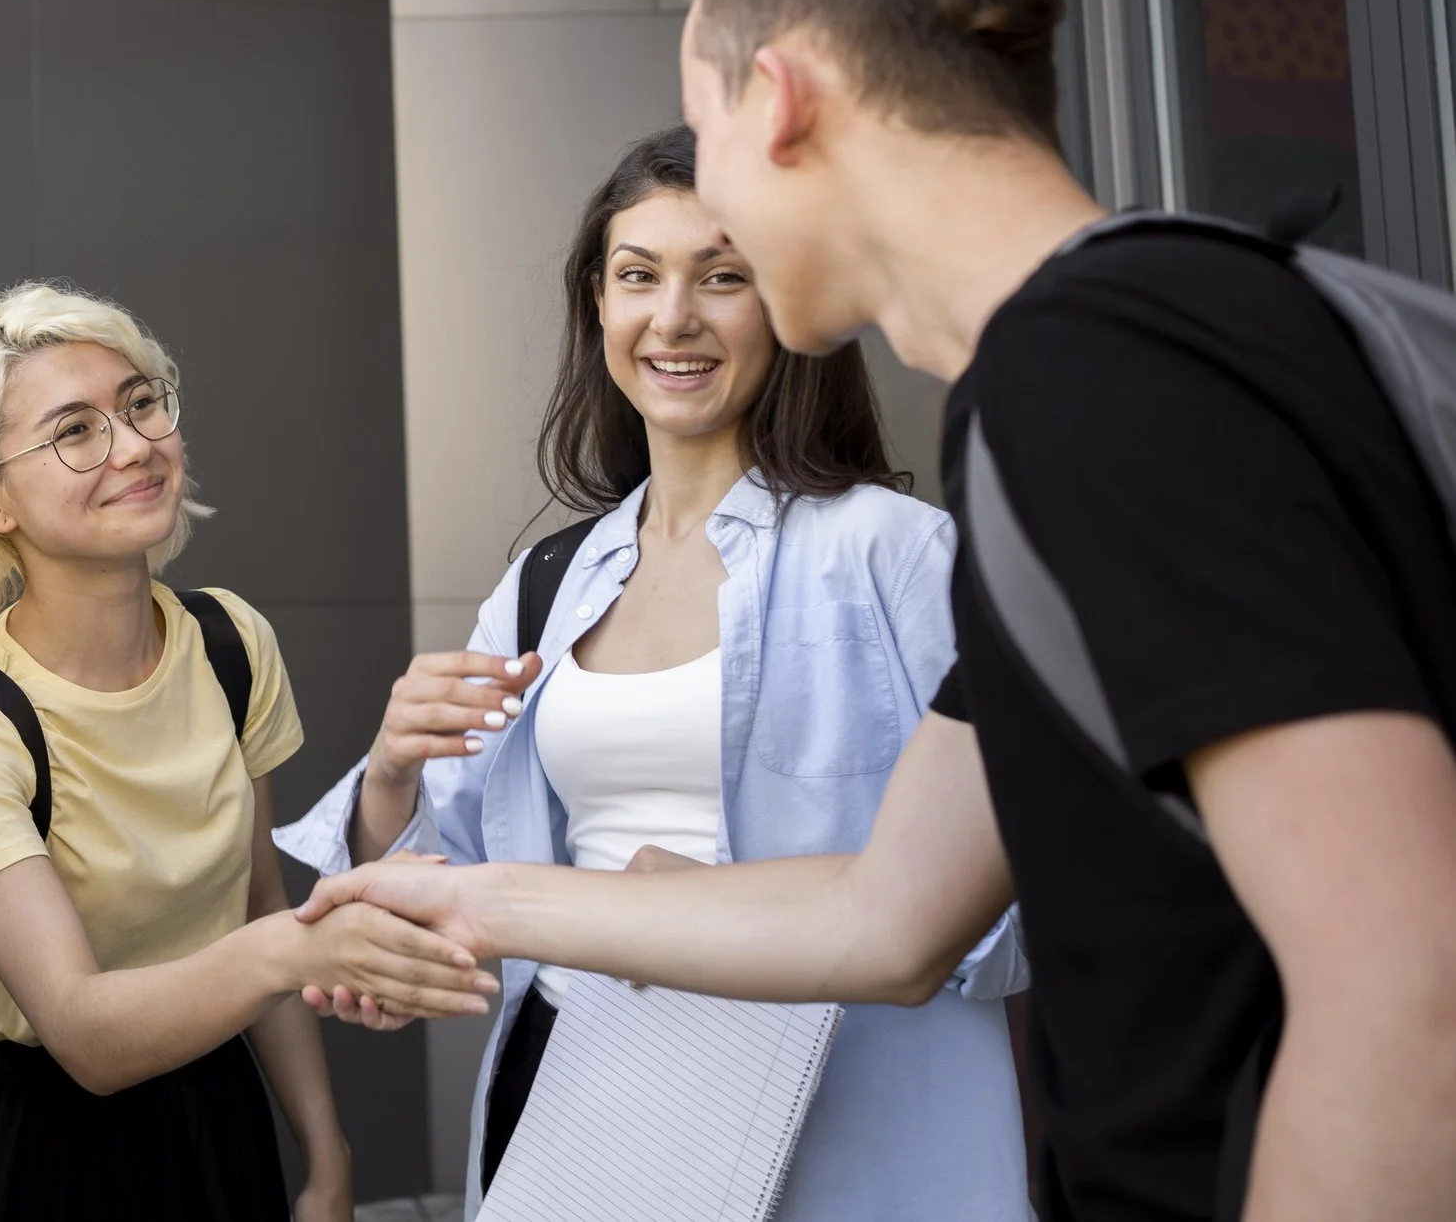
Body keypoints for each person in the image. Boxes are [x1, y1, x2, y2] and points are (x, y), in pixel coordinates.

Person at [297, 0, 1456, 1222]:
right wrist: (477, 902)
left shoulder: (1101, 372)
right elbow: (891, 917)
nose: (688, 263)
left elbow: (1412, 986)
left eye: (708, 139)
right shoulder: (1088, 372)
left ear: (778, 101)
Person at [278, 125, 1027, 1220]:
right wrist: (391, 773)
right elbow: (463, 880)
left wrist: (750, 909)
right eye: (637, 276)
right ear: (597, 301)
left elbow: (1020, 893)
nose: (672, 317)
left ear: (786, 300)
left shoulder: (890, 552)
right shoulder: (545, 580)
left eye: (723, 276)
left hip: (851, 1125)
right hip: (591, 1112)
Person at [0, 284, 496, 1222]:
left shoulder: (231, 643)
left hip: (213, 1122)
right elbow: (85, 1033)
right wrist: (297, 947)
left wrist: (326, 1157)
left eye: (140, 402)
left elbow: (259, 905)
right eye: (74, 431)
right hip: (32, 1152)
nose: (133, 446)